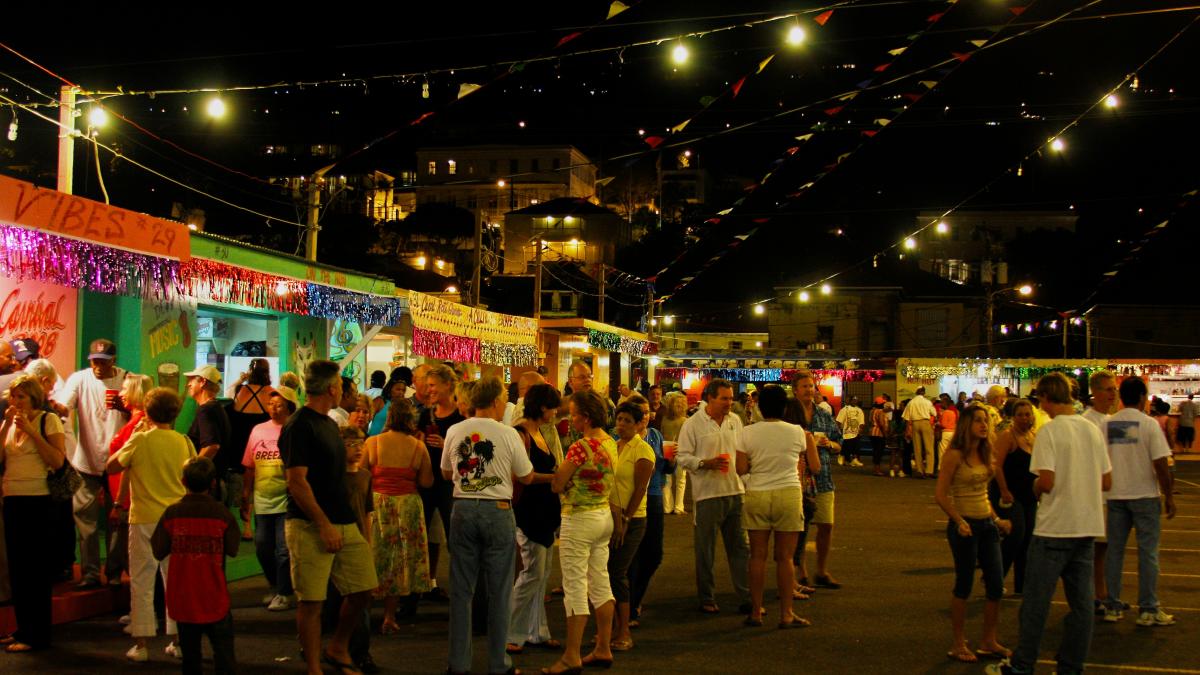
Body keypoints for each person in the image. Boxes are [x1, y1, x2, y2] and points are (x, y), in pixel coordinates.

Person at [987, 373, 1112, 675]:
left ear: (1045, 398)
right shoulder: (1092, 430)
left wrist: (1033, 490)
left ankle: (1022, 664)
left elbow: (1046, 481)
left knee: (1036, 603)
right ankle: (1071, 666)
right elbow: (1106, 481)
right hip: (1087, 527)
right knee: (1082, 606)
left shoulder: (1050, 432)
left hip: (1054, 528)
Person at [279, 360, 379, 675]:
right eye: (341, 386)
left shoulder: (327, 423)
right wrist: (322, 524)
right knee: (311, 600)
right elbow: (297, 481)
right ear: (331, 388)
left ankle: (337, 646)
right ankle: (313, 666)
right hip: (310, 524)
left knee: (364, 587)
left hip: (342, 519)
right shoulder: (300, 425)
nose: (343, 392)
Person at [439, 376, 534, 675]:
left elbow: (445, 472)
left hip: (463, 508)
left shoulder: (455, 430)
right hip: (498, 510)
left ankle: (458, 663)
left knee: (461, 590)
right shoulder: (508, 434)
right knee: (499, 591)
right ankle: (498, 663)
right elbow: (526, 475)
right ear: (494, 401)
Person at [107, 387, 197, 662]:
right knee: (175, 581)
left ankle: (142, 645)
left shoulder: (140, 440)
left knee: (142, 581)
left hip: (144, 517)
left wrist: (132, 440)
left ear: (147, 411)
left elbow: (111, 466)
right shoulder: (184, 441)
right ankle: (177, 640)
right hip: (176, 518)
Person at [543, 390, 616, 674]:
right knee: (601, 582)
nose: (570, 419)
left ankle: (571, 654)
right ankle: (603, 647)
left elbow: (558, 483)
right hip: (603, 516)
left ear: (584, 418)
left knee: (574, 586)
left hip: (579, 518)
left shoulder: (580, 447)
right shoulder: (610, 443)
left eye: (573, 414)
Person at [935, 405, 1012, 663]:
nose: (984, 425)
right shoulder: (955, 455)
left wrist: (998, 519)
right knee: (964, 584)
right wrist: (958, 520)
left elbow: (983, 495)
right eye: (978, 420)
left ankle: (989, 640)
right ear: (967, 425)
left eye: (986, 421)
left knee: (995, 584)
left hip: (987, 525)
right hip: (964, 527)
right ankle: (958, 643)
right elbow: (941, 494)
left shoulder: (986, 451)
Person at [735, 384, 815, 630]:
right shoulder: (797, 432)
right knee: (785, 558)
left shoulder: (747, 433)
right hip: (788, 494)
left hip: (757, 493)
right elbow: (812, 462)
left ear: (759, 406)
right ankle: (787, 614)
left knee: (757, 556)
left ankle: (756, 611)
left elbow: (741, 469)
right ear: (785, 406)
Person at [151, 456, 240, 674]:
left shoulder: (172, 514)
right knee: (225, 657)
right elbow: (233, 549)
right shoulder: (222, 515)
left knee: (190, 660)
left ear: (182, 481)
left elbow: (158, 549)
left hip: (183, 599)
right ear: (213, 483)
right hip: (215, 596)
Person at [52, 338, 129, 588]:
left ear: (113, 361)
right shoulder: (79, 379)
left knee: (117, 519)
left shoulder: (127, 379)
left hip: (117, 462)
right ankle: (90, 573)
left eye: (103, 362)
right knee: (85, 518)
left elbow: (142, 411)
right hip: (86, 461)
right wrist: (54, 407)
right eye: (95, 361)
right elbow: (65, 406)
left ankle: (115, 571)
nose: (98, 366)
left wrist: (124, 405)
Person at [1101, 377, 1176, 626]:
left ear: (1121, 396)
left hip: (1115, 497)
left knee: (1114, 552)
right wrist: (1169, 496)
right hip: (1144, 495)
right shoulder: (1149, 425)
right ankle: (1148, 608)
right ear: (1143, 397)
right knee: (1148, 553)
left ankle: (1112, 605)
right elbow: (1161, 464)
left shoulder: (1109, 425)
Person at [2, 375, 67, 652]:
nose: (15, 402)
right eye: (12, 396)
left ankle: (37, 634)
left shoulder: (46, 420)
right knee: (18, 569)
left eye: (21, 397)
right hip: (13, 499)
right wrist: (6, 424)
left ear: (34, 398)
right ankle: (22, 629)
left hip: (39, 499)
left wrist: (30, 430)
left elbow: (57, 460)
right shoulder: (9, 424)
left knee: (35, 570)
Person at [677, 378, 751, 614]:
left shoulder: (735, 421)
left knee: (740, 549)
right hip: (707, 495)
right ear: (710, 398)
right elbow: (682, 457)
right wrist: (704, 463)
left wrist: (746, 480)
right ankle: (707, 597)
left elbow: (742, 453)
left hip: (735, 492)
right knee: (705, 550)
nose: (729, 403)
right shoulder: (693, 424)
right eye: (724, 398)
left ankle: (747, 596)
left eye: (730, 398)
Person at [365, 397, 433, 634]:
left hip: (378, 504)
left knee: (374, 557)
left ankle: (361, 613)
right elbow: (426, 481)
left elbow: (362, 477)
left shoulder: (372, 443)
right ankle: (390, 615)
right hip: (407, 506)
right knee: (399, 561)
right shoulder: (418, 447)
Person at [507, 384, 563, 654]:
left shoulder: (539, 431)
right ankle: (510, 632)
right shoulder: (520, 433)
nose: (555, 412)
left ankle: (536, 632)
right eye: (553, 407)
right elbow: (521, 475)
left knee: (541, 575)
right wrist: (555, 477)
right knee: (532, 573)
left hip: (545, 510)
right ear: (542, 407)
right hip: (530, 511)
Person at [322, 426, 378, 674]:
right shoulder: (332, 477)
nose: (358, 450)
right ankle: (329, 647)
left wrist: (368, 542)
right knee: (331, 602)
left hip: (356, 541)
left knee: (360, 602)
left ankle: (360, 652)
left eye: (360, 444)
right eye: (351, 445)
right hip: (334, 541)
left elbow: (366, 512)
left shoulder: (365, 476)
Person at [242, 386, 300, 612]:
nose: (274, 409)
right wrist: (246, 493)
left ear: (289, 407)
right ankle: (275, 585)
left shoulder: (294, 430)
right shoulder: (258, 430)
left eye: (279, 405)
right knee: (262, 546)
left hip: (287, 499)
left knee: (283, 549)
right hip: (263, 498)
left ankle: (285, 592)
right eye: (271, 404)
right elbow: (249, 465)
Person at [785, 371, 843, 589]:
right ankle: (800, 571)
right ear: (795, 389)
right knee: (798, 527)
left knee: (826, 525)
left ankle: (822, 570)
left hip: (823, 477)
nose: (809, 390)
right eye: (805, 386)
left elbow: (839, 444)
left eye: (812, 386)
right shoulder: (788, 415)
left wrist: (829, 444)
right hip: (796, 478)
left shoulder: (824, 414)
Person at [606, 401, 655, 651]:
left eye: (627, 420)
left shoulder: (643, 451)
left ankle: (624, 630)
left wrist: (625, 520)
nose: (621, 424)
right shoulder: (614, 446)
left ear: (638, 424)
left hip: (632, 520)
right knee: (607, 573)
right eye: (619, 419)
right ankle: (611, 629)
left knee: (617, 572)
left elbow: (640, 489)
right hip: (610, 517)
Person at [417, 363, 463, 602]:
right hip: (425, 482)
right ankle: (419, 588)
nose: (429, 390)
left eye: (433, 385)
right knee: (420, 537)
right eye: (428, 385)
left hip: (449, 483)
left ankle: (459, 589)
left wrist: (447, 444)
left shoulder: (461, 416)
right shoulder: (426, 414)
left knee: (453, 537)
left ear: (448, 385)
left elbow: (467, 452)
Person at [105, 373, 155, 588]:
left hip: (127, 497)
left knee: (127, 547)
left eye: (126, 389)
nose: (122, 394)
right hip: (123, 495)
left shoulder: (139, 425)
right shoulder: (135, 421)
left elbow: (127, 465)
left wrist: (118, 501)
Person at [628, 393, 673, 630]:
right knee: (631, 555)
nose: (645, 417)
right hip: (629, 497)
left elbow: (663, 468)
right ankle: (629, 606)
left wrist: (671, 463)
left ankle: (635, 597)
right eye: (640, 412)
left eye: (647, 412)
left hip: (654, 495)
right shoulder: (620, 436)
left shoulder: (655, 435)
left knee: (654, 554)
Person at [990, 400, 1037, 595]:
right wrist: (1003, 490)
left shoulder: (1033, 437)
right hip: (1009, 494)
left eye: (1027, 414)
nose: (1024, 418)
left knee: (1027, 539)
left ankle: (1022, 585)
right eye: (1020, 415)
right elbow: (996, 466)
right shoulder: (1008, 436)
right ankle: (994, 577)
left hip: (1029, 495)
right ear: (1013, 417)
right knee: (1016, 534)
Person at [226, 358, 275, 540]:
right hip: (262, 442)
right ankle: (253, 526)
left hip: (240, 443)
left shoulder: (241, 390)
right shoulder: (271, 393)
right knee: (257, 485)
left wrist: (241, 380)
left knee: (243, 485)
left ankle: (244, 526)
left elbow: (228, 393)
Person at [1082, 369, 1118, 614]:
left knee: (1106, 549)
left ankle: (1102, 593)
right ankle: (1093, 595)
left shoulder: (1113, 422)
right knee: (1093, 550)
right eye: (1107, 389)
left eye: (1114, 389)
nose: (1112, 394)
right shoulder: (1087, 422)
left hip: (1112, 496)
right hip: (1096, 497)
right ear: (1094, 392)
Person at [184, 365, 234, 510]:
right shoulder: (216, 408)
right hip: (217, 483)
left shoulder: (205, 410)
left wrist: (193, 472)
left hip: (208, 488)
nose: (188, 384)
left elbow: (212, 446)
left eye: (192, 380)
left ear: (203, 382)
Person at [659, 393, 689, 516]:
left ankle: (667, 507)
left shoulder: (665, 419)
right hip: (680, 450)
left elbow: (661, 433)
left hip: (666, 449)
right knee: (681, 480)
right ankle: (678, 507)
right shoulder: (685, 420)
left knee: (667, 480)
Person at [903, 386, 936, 479]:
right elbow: (934, 413)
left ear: (916, 392)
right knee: (929, 448)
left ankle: (920, 471)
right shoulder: (927, 402)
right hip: (925, 423)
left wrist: (907, 430)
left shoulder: (911, 402)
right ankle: (929, 470)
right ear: (924, 392)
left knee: (917, 449)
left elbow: (906, 418)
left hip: (915, 424)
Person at [835, 396, 865, 467]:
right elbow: (839, 420)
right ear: (850, 401)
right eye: (853, 400)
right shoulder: (845, 409)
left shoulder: (859, 410)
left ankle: (853, 459)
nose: (855, 401)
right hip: (847, 431)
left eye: (856, 400)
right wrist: (838, 429)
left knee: (855, 446)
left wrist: (861, 429)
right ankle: (842, 455)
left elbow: (861, 421)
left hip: (856, 431)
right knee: (847, 445)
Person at [935, 393, 958, 473]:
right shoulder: (953, 413)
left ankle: (941, 468)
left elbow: (944, 425)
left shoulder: (945, 413)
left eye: (942, 403)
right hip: (953, 433)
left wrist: (938, 423)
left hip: (945, 433)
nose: (941, 404)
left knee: (942, 451)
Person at [869, 400, 888, 476]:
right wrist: (885, 434)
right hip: (879, 433)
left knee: (875, 451)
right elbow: (881, 424)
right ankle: (877, 470)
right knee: (879, 452)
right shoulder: (881, 411)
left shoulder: (872, 411)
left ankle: (875, 468)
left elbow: (870, 421)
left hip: (872, 432)